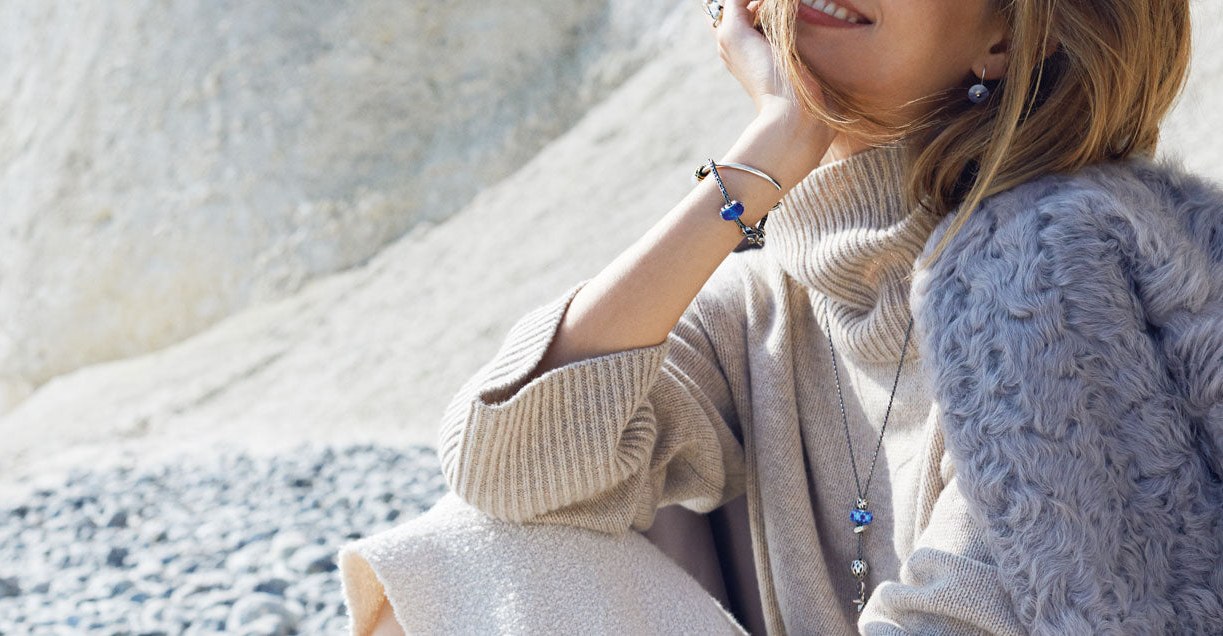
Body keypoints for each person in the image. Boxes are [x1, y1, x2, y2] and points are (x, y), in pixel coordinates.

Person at [335, 0, 1223, 633]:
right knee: (464, 552)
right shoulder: (768, 305)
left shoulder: (1065, 273)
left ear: (1008, 34)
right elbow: (507, 468)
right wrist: (771, 147)